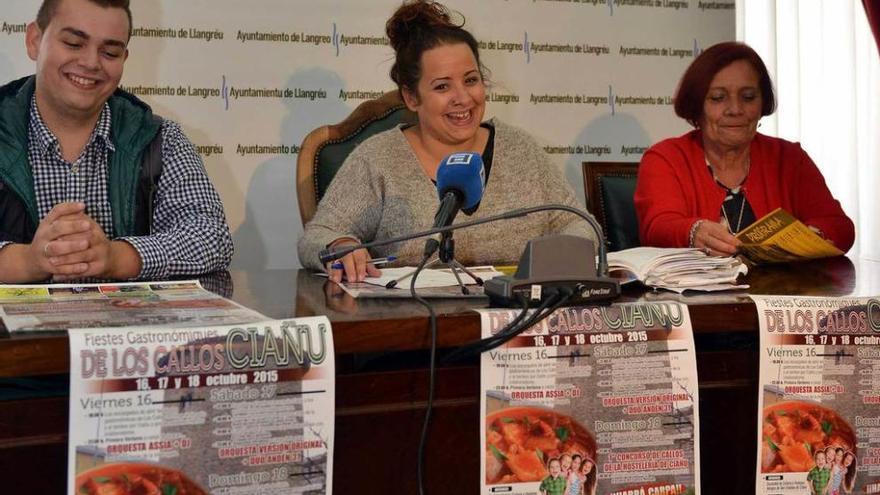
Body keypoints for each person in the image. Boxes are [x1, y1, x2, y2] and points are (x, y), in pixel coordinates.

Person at [297, 0, 597, 282]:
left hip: (518, 320)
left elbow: (578, 224)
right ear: (411, 97)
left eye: (471, 80)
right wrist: (343, 244)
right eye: (442, 86)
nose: (463, 98)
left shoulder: (521, 149)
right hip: (412, 326)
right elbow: (317, 237)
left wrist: (558, 259)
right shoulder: (378, 158)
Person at [0, 0, 232, 284]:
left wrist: (116, 257)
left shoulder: (161, 139)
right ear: (35, 40)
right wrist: (27, 262)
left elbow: (212, 236)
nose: (90, 63)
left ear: (124, 58)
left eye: (110, 52)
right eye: (74, 43)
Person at [634, 41, 854, 256]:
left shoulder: (788, 158)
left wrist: (803, 240)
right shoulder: (666, 158)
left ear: (762, 103)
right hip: (695, 292)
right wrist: (694, 232)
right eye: (718, 98)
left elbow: (839, 226)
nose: (735, 109)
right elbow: (657, 227)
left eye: (748, 97)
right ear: (696, 105)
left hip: (781, 291)